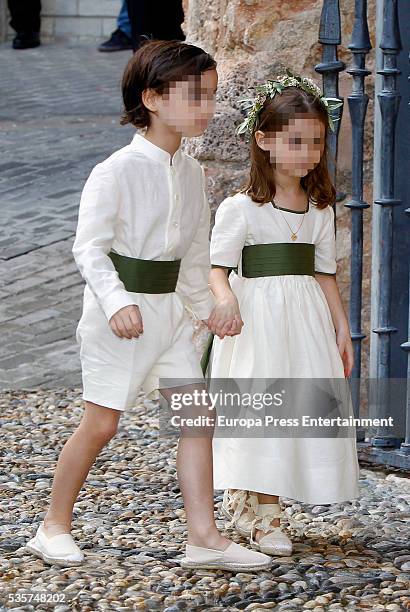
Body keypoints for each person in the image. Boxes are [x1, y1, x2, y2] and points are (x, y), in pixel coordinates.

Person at [25, 39, 272, 573]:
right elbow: (87, 248)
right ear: (153, 98)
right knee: (101, 423)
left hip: (171, 322)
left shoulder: (190, 172)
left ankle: (203, 538)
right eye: (195, 96)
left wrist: (209, 310)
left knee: (196, 418)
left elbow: (192, 256)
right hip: (120, 320)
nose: (207, 108)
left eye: (210, 96)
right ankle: (52, 527)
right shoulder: (115, 171)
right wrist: (115, 302)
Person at [204, 70, 360, 556]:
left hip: (305, 322)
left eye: (316, 144)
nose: (309, 155)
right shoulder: (240, 209)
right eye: (297, 142)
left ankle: (260, 500)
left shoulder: (319, 208)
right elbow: (217, 269)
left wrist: (341, 328)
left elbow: (325, 273)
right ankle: (260, 511)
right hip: (258, 323)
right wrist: (226, 300)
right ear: (264, 140)